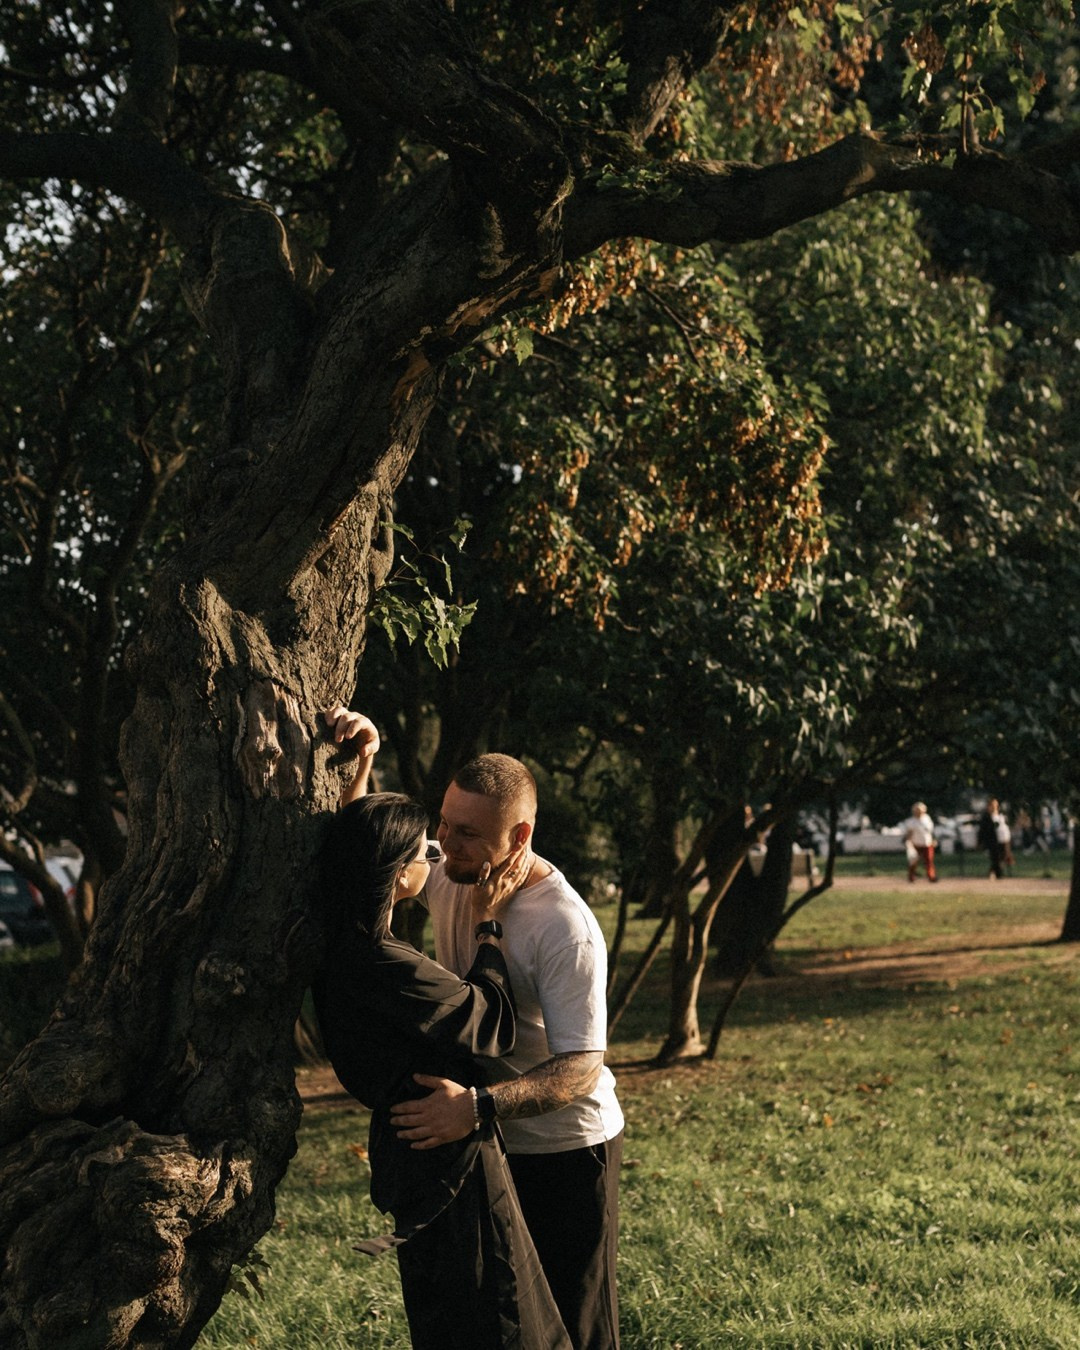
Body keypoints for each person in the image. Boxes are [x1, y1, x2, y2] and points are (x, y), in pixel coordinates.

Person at [326, 707, 624, 1350]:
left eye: (466, 833)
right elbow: (372, 858)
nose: (444, 844)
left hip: (565, 1151)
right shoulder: (453, 868)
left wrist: (478, 1106)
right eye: (443, 823)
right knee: (511, 1325)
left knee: (575, 1327)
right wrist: (362, 765)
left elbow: (582, 1068)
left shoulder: (563, 926)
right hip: (489, 1144)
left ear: (519, 837)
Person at [312, 784, 570, 1349]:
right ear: (397, 872)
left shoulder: (341, 945)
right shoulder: (386, 963)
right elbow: (491, 1025)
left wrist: (363, 765)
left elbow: (356, 839)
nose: (436, 857)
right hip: (449, 1162)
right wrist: (488, 921)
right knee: (497, 1314)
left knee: (448, 1315)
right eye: (424, 851)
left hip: (417, 1156)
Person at [902, 802, 937, 883]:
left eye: (920, 810)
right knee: (913, 861)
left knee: (929, 860)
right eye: (917, 810)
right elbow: (909, 833)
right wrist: (908, 842)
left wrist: (933, 839)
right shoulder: (911, 821)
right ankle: (911, 877)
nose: (919, 812)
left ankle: (931, 876)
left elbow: (930, 831)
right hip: (915, 844)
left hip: (927, 844)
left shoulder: (927, 819)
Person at [977, 798, 1012, 878]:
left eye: (995, 805)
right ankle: (998, 874)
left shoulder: (1000, 815)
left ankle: (994, 872)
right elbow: (982, 830)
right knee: (996, 858)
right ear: (989, 806)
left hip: (1003, 839)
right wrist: (980, 842)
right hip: (992, 841)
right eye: (992, 805)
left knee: (1003, 857)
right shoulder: (986, 817)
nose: (994, 807)